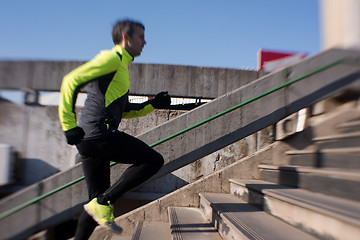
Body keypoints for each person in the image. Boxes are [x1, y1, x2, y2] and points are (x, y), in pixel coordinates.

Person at [58, 19, 170, 239]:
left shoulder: (121, 67)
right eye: (141, 36)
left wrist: (153, 104)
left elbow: (125, 110)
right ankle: (105, 201)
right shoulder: (112, 58)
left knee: (94, 205)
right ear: (126, 37)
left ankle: (100, 205)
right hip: (98, 134)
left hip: (90, 139)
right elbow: (70, 80)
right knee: (153, 160)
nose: (145, 42)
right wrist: (68, 124)